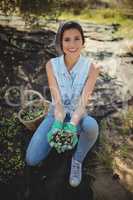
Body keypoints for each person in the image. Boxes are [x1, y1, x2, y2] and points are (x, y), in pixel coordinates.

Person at [26, 21, 101, 187]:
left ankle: (77, 159)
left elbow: (83, 103)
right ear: (61, 42)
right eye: (67, 39)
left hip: (78, 114)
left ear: (83, 41)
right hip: (56, 114)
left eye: (76, 39)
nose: (72, 44)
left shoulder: (92, 67)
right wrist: (58, 123)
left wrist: (72, 124)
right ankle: (56, 139)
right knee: (31, 159)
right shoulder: (51, 65)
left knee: (91, 125)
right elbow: (57, 102)